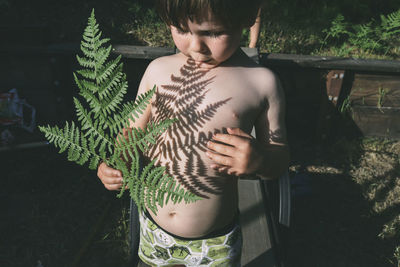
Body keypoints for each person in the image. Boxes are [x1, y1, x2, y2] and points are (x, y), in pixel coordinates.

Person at [97, 0, 289, 266]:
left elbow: (279, 159)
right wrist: (115, 163)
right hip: (154, 231)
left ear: (245, 18)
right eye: (181, 29)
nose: (196, 47)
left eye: (212, 33)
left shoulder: (261, 82)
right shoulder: (157, 71)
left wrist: (260, 162)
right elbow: (130, 136)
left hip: (214, 243)